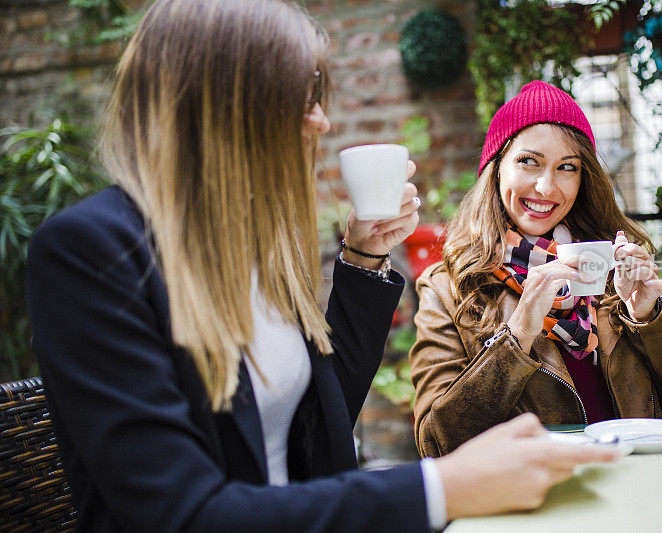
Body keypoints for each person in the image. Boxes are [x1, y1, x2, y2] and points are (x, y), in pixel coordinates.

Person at [25, 2, 619, 531]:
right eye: (303, 93)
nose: (321, 121)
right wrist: (445, 485)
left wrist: (365, 254)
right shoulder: (89, 253)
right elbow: (183, 512)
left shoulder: (248, 242)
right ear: (225, 103)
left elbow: (320, 417)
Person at [409, 80, 662, 458]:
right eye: (528, 161)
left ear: (582, 178)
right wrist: (518, 333)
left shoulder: (609, 268)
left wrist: (648, 318)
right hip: (535, 504)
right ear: (496, 168)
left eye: (566, 167)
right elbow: (437, 445)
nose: (546, 186)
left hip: (634, 489)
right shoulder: (447, 289)